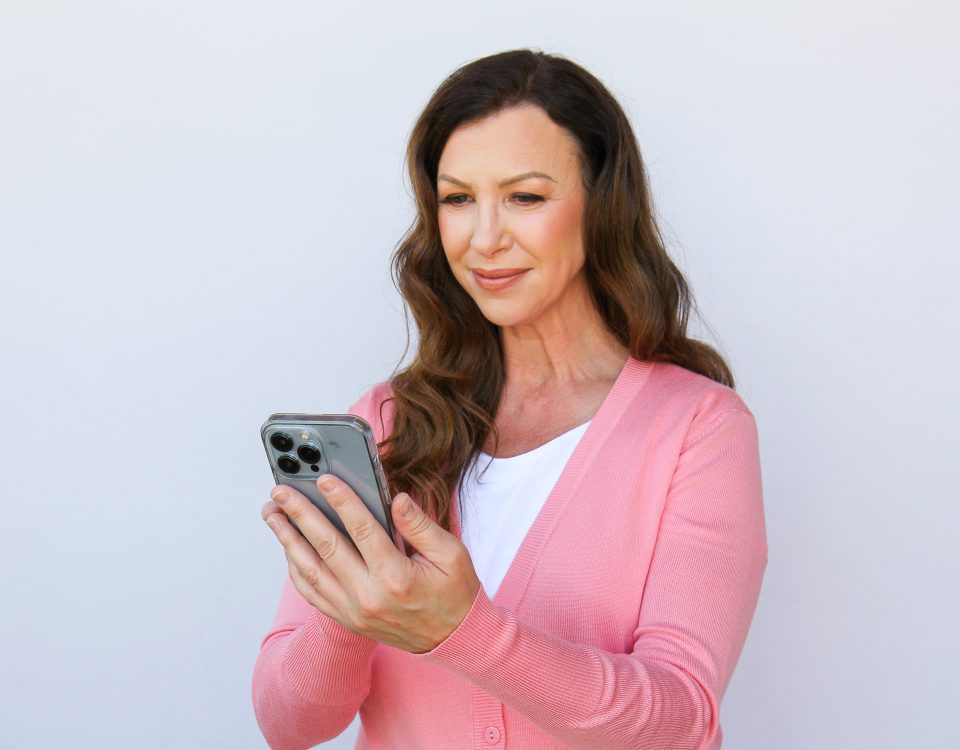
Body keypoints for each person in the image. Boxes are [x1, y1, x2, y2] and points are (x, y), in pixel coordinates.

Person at [252, 48, 768, 750]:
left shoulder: (696, 429)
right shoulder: (387, 421)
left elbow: (678, 719)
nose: (485, 239)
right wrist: (355, 601)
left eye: (525, 197)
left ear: (600, 204)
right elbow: (288, 725)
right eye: (458, 199)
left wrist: (463, 632)